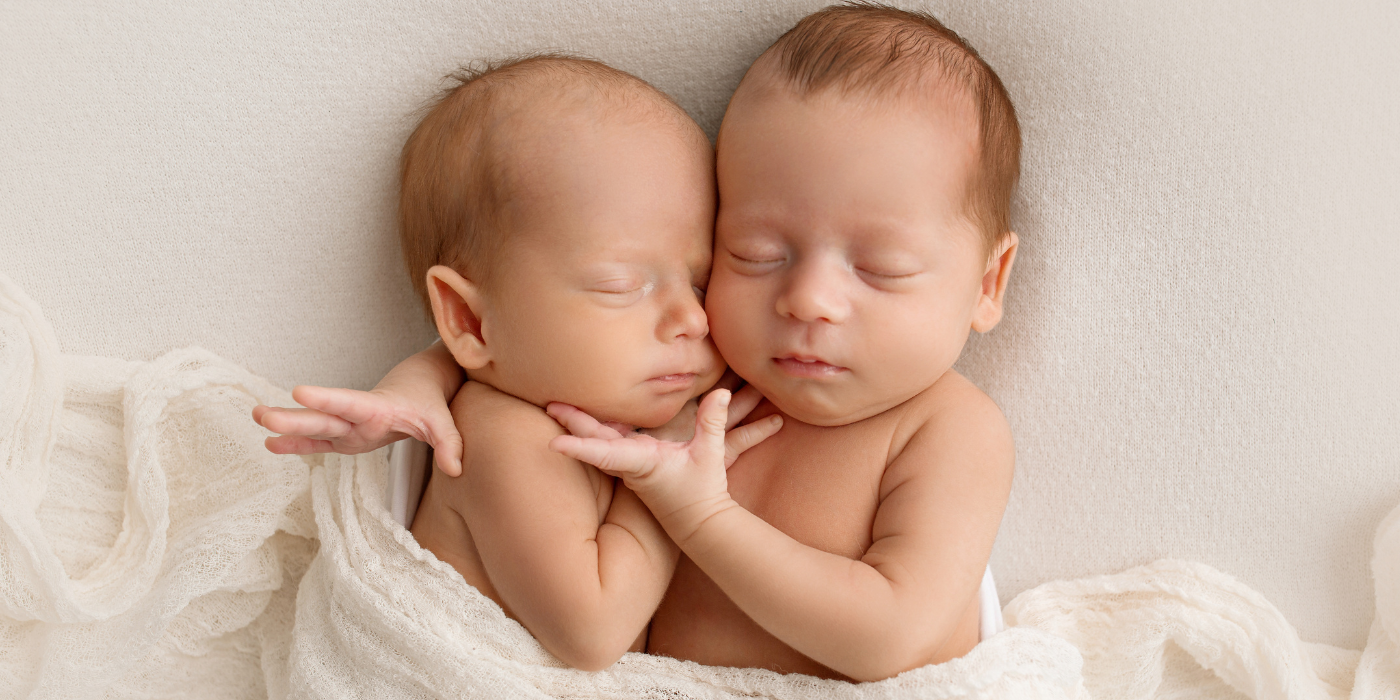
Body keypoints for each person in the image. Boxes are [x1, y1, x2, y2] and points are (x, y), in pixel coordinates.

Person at [258, 2, 1021, 682]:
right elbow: (511, 361)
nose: (808, 300)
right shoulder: (701, 373)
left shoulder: (947, 429)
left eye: (882, 268)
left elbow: (888, 637)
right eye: (754, 255)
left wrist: (700, 513)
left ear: (988, 284)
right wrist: (413, 387)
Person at [253, 54, 779, 672]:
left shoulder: (591, 386)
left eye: (701, 281)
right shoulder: (509, 438)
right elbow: (593, 633)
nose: (691, 320)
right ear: (472, 323)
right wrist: (668, 476)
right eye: (620, 286)